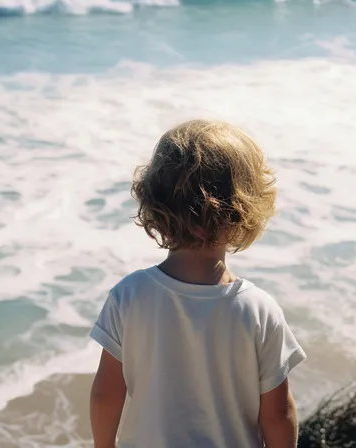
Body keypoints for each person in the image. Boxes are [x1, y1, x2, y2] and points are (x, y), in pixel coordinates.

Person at [89, 119, 306, 448]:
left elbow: (107, 395)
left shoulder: (130, 295)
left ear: (155, 203)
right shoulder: (259, 309)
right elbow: (277, 415)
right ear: (244, 208)